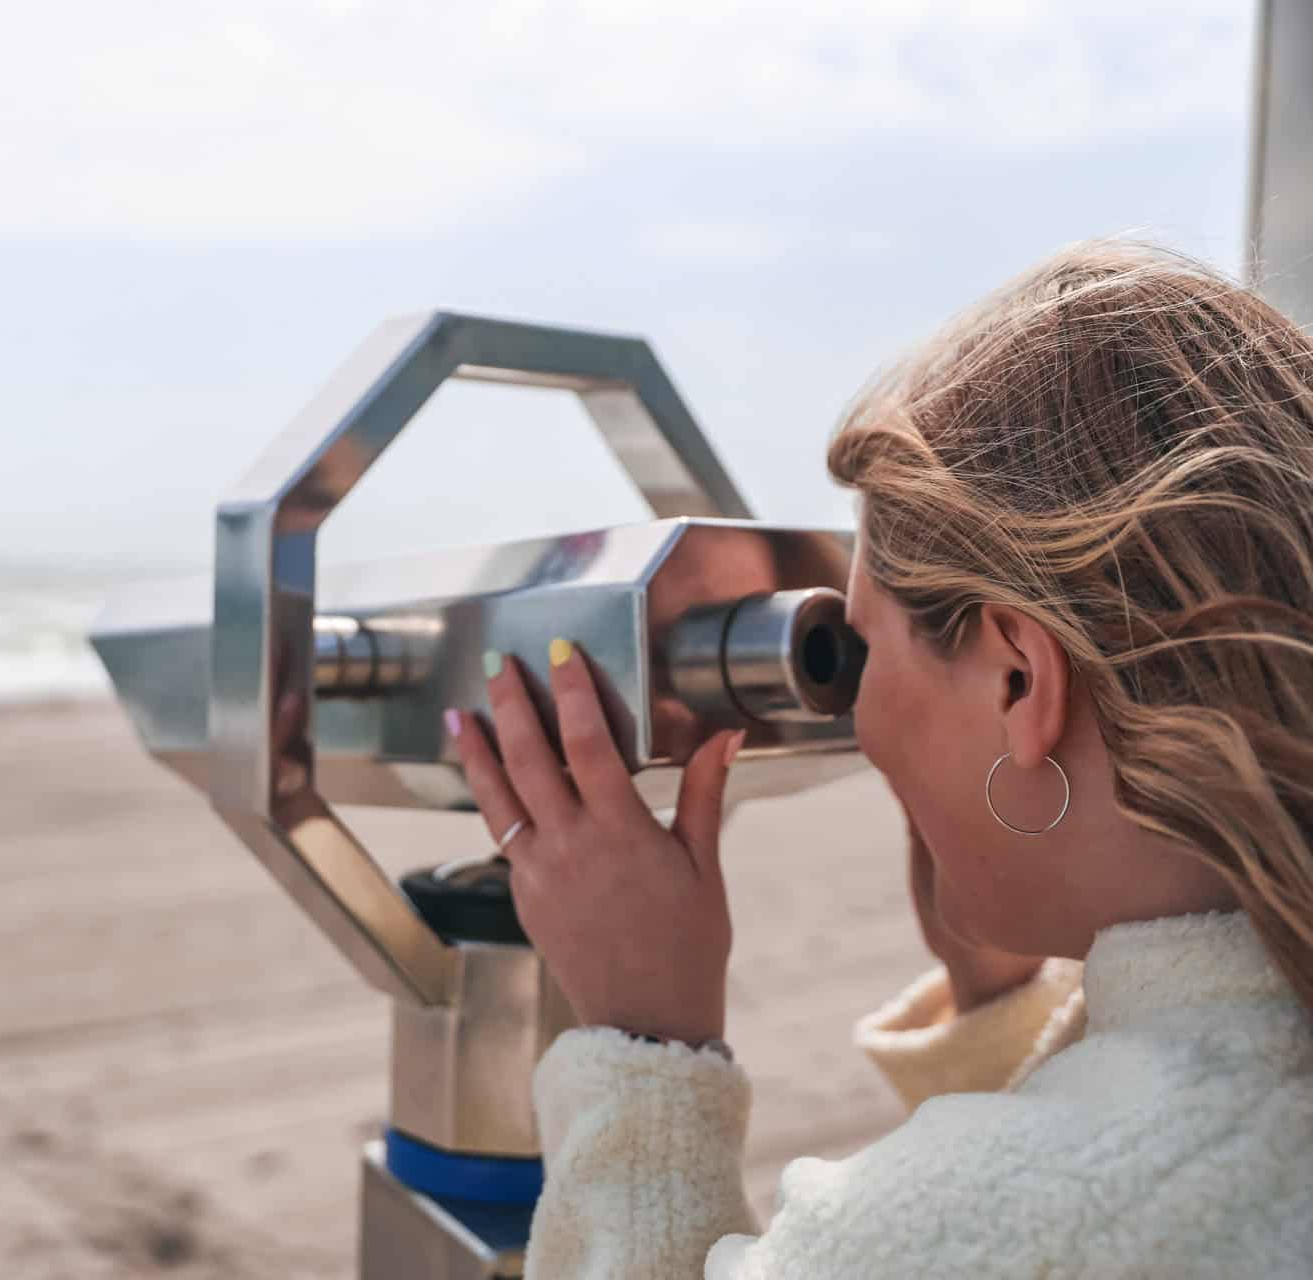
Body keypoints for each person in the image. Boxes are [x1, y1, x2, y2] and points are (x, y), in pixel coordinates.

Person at [445, 243, 1313, 1278]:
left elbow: (1054, 1211)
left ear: (1018, 683)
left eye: (862, 644)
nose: (855, 713)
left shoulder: (973, 1224)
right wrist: (999, 1001)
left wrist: (645, 1043)